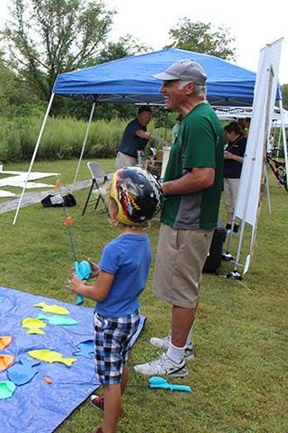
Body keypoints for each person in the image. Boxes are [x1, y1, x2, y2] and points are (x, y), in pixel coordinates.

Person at [134, 59, 225, 378]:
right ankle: (180, 343)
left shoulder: (199, 120)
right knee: (185, 286)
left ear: (188, 87)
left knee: (183, 290)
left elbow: (203, 177)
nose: (161, 90)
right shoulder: (195, 118)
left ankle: (175, 360)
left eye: (168, 84)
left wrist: (159, 187)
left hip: (189, 219)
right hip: (189, 218)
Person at [66, 167, 163, 433]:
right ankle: (112, 403)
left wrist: (79, 286)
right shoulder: (142, 242)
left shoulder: (114, 248)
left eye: (111, 203)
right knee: (121, 364)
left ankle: (108, 428)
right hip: (131, 316)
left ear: (121, 210)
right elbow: (125, 275)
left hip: (109, 322)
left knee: (109, 380)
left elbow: (99, 294)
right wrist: (101, 271)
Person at [223, 121, 247, 233]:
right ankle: (229, 222)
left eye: (227, 133)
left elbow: (246, 160)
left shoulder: (244, 142)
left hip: (236, 176)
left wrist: (232, 156)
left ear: (233, 132)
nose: (226, 136)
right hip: (226, 174)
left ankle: (236, 224)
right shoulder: (229, 142)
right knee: (228, 200)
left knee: (236, 199)